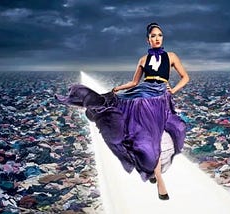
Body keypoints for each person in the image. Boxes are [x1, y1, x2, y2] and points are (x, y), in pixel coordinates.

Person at [55, 22, 189, 200]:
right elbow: (134, 83)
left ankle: (151, 171)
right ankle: (159, 179)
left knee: (154, 139)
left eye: (160, 35)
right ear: (148, 39)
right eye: (153, 36)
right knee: (147, 138)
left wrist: (174, 90)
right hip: (141, 96)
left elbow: (185, 77)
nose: (157, 39)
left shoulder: (171, 56)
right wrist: (118, 88)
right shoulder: (142, 60)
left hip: (159, 99)